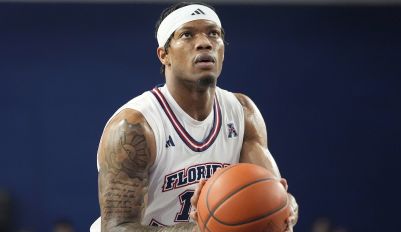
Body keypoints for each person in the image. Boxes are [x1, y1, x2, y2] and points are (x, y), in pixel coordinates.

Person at [90, 2, 298, 232]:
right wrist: (202, 229)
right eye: (187, 35)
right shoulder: (134, 127)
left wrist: (284, 208)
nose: (204, 43)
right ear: (164, 55)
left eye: (213, 34)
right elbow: (117, 228)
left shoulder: (242, 112)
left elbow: (271, 194)